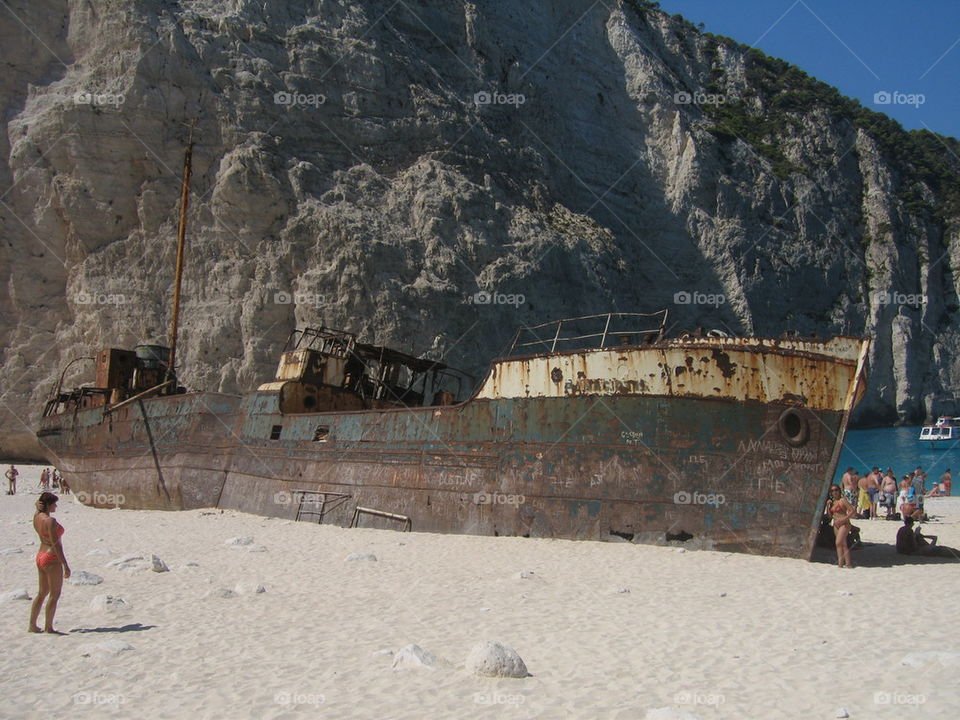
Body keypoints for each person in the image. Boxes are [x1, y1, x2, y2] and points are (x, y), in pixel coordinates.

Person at [29, 492, 71, 633]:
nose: (56, 506)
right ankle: (49, 627)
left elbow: (38, 513)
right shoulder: (50, 521)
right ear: (48, 505)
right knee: (54, 594)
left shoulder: (36, 517)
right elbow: (56, 544)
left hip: (40, 555)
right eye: (54, 504)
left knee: (42, 593)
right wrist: (65, 564)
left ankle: (32, 625)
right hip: (51, 558)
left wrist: (37, 508)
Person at [825, 484, 856, 568]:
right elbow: (829, 516)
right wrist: (828, 506)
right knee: (843, 544)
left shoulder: (843, 500)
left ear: (839, 491)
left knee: (838, 542)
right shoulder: (832, 502)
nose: (834, 492)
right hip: (836, 524)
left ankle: (843, 563)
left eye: (836, 490)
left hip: (844, 524)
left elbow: (852, 510)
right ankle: (844, 563)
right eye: (832, 491)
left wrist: (844, 519)